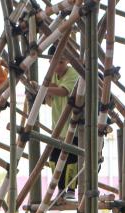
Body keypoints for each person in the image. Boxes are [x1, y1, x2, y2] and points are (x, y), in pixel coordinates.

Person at [45, 47, 80, 198]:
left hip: (74, 124)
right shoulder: (51, 75)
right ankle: (60, 190)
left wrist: (46, 88)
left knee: (71, 158)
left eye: (61, 62)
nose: (58, 66)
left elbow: (64, 91)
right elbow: (49, 101)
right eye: (55, 63)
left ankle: (71, 190)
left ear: (67, 61)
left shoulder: (73, 73)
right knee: (54, 159)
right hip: (58, 125)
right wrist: (47, 89)